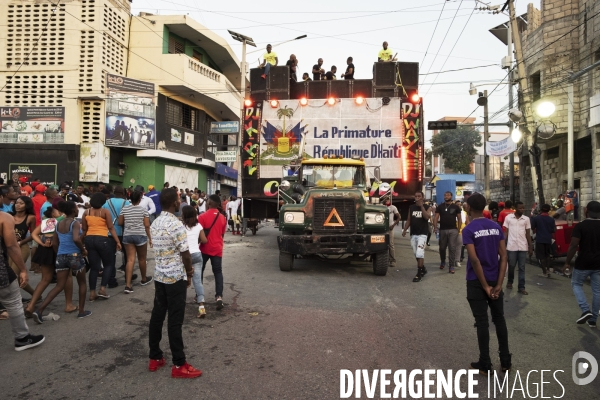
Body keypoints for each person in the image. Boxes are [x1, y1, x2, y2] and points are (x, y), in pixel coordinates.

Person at [148, 188, 201, 378]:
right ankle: (179, 364)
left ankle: (155, 357)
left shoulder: (155, 223)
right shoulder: (175, 224)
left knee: (157, 316)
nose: (180, 202)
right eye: (178, 200)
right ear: (174, 203)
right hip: (175, 278)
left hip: (160, 276)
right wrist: (189, 272)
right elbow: (185, 253)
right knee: (175, 321)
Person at [461, 193, 511, 375]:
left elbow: (474, 260)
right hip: (495, 278)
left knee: (482, 322)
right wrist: (498, 284)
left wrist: (485, 287)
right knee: (499, 319)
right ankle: (505, 361)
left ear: (468, 207)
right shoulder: (496, 227)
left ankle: (485, 363)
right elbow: (504, 256)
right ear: (484, 207)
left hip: (477, 282)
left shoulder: (468, 230)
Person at [32, 201, 90, 323]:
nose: (77, 209)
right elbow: (75, 239)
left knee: (59, 285)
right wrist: (83, 249)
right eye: (76, 208)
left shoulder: (58, 224)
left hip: (61, 256)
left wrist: (59, 253)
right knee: (82, 283)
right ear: (74, 211)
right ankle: (81, 311)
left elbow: (55, 242)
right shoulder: (74, 223)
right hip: (75, 255)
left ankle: (39, 310)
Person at [0, 211, 45, 351]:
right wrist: (23, 270)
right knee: (13, 300)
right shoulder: (4, 217)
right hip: (1, 270)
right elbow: (12, 246)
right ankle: (22, 338)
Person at [26, 202, 78, 316]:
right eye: (56, 211)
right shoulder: (62, 219)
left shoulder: (47, 222)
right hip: (59, 248)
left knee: (45, 279)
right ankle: (68, 304)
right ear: (54, 214)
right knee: (67, 276)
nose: (59, 212)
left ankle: (31, 305)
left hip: (45, 249)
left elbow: (34, 234)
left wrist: (42, 243)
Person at [562, 200, 600, 328]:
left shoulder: (581, 226)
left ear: (586, 211)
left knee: (576, 284)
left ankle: (585, 310)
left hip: (583, 262)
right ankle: (593, 320)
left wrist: (567, 262)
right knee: (597, 291)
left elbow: (573, 245)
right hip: (598, 264)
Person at [82, 192, 122, 301]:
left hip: (89, 239)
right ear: (103, 202)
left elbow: (84, 229)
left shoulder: (86, 212)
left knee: (94, 268)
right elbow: (111, 228)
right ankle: (102, 289)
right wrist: (117, 241)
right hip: (103, 239)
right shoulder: (105, 212)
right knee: (108, 264)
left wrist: (82, 242)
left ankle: (92, 293)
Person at [119, 190, 153, 293]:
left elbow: (120, 222)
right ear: (139, 199)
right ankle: (143, 279)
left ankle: (128, 285)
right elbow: (147, 225)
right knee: (142, 259)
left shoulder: (124, 209)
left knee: (130, 260)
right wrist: (150, 238)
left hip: (128, 235)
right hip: (140, 235)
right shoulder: (143, 210)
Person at [198, 194, 227, 310]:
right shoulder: (222, 217)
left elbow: (198, 234)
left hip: (204, 248)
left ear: (209, 203)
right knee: (218, 272)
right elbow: (222, 234)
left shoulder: (202, 217)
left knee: (200, 271)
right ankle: (219, 296)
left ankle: (199, 296)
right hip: (217, 248)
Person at [182, 206, 208, 318]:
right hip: (197, 255)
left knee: (182, 280)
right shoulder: (198, 226)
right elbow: (205, 240)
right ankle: (201, 306)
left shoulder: (181, 227)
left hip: (184, 256)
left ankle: (181, 304)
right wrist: (196, 241)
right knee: (197, 280)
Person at [103, 185, 131, 287]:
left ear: (114, 192)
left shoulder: (107, 202)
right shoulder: (126, 203)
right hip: (123, 232)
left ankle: (111, 280)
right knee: (128, 257)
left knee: (111, 258)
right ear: (123, 194)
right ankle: (128, 276)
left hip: (109, 233)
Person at [9, 196, 37, 298]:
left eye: (21, 203)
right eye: (16, 203)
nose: (18, 205)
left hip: (22, 247)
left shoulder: (30, 217)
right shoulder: (9, 216)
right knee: (11, 275)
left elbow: (33, 234)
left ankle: (14, 299)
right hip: (9, 247)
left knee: (13, 274)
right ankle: (35, 295)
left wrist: (21, 242)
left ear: (27, 205)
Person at [503, 201, 533, 295]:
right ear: (515, 208)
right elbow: (506, 232)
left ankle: (521, 287)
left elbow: (528, 233)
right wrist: (503, 244)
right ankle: (510, 281)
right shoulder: (508, 218)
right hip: (511, 246)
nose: (522, 209)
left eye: (523, 208)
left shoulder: (526, 219)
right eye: (520, 208)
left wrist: (530, 246)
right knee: (511, 265)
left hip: (523, 246)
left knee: (522, 267)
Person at [402, 191, 431, 282]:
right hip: (413, 234)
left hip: (422, 234)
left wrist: (421, 206)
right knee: (416, 254)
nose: (417, 198)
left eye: (419, 196)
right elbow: (409, 220)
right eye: (416, 196)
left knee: (419, 253)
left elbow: (427, 217)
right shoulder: (411, 207)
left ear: (422, 197)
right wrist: (405, 229)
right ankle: (423, 268)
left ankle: (419, 274)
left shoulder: (427, 207)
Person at [433, 191, 462, 274]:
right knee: (442, 248)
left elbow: (459, 219)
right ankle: (443, 261)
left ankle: (451, 265)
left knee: (452, 248)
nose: (446, 196)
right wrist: (435, 227)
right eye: (445, 195)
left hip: (453, 230)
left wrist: (458, 229)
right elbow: (436, 218)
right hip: (442, 230)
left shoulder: (456, 207)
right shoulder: (440, 207)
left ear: (451, 196)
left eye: (448, 195)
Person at [530, 204, 556, 278]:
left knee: (541, 256)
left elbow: (532, 227)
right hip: (548, 239)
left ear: (541, 209)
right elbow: (554, 230)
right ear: (548, 210)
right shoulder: (551, 219)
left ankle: (544, 272)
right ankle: (547, 270)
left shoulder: (537, 218)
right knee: (547, 255)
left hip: (540, 239)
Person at [385, 197, 400, 269]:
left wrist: (393, 225)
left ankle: (393, 260)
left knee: (391, 244)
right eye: (386, 199)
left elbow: (399, 217)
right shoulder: (382, 207)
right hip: (383, 228)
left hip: (390, 228)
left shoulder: (393, 207)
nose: (387, 201)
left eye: (388, 199)